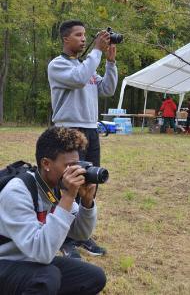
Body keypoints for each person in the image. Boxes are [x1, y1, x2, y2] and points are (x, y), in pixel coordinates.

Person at [0, 127, 106, 295]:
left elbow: (81, 233)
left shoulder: (55, 187)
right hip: (6, 262)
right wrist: (68, 198)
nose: (75, 171)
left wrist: (87, 202)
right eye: (69, 166)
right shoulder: (17, 192)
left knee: (94, 277)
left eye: (77, 165)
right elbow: (41, 253)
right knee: (47, 278)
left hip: (29, 261)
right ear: (46, 164)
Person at [48, 19, 118, 258]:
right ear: (66, 39)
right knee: (67, 183)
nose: (84, 39)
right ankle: (64, 237)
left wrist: (110, 62)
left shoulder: (88, 67)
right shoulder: (58, 65)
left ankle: (81, 234)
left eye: (85, 35)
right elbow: (78, 77)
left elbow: (107, 89)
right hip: (68, 130)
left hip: (90, 129)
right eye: (78, 35)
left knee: (89, 183)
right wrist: (97, 51)